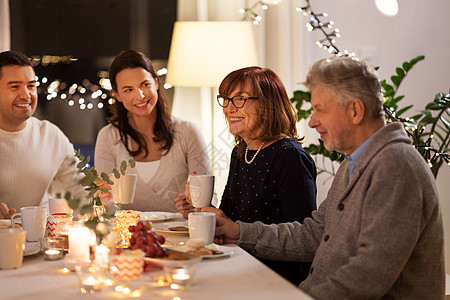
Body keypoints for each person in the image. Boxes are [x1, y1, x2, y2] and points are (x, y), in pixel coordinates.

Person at [214, 57, 445, 299]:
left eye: (319, 109)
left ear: (355, 111)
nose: (312, 122)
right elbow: (314, 233)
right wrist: (240, 233)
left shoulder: (396, 167)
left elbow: (367, 276)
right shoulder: (354, 164)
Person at [175, 66, 317, 285]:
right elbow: (228, 217)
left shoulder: (289, 157)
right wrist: (196, 210)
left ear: (268, 105)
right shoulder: (241, 152)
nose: (229, 108)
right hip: (238, 263)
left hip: (274, 277)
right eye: (226, 99)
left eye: (240, 99)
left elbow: (302, 237)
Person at [94, 50, 210, 212]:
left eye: (145, 85)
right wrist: (104, 201)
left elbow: (207, 200)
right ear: (117, 95)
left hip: (179, 234)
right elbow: (103, 200)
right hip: (128, 234)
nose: (140, 95)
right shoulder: (108, 137)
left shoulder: (188, 132)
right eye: (128, 90)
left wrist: (194, 206)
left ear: (156, 83)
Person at [0, 50, 85, 219]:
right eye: (15, 86)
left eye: (31, 86)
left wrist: (101, 196)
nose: (26, 95)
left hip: (40, 240)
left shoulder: (49, 134)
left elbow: (81, 187)